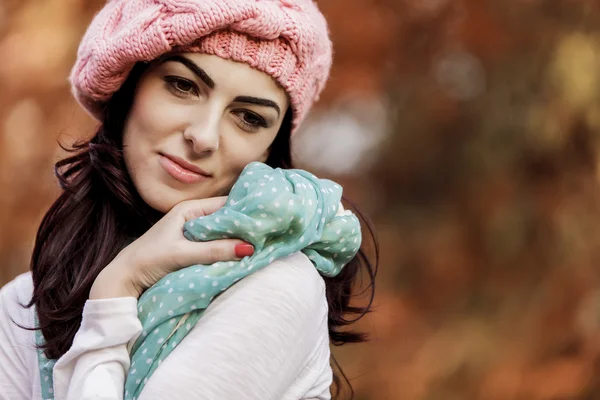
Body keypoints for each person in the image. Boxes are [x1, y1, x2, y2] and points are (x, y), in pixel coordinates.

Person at [0, 0, 378, 399]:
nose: (204, 136)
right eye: (183, 86)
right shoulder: (22, 306)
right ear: (128, 89)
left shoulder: (277, 286)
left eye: (249, 117)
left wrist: (117, 289)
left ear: (268, 151)